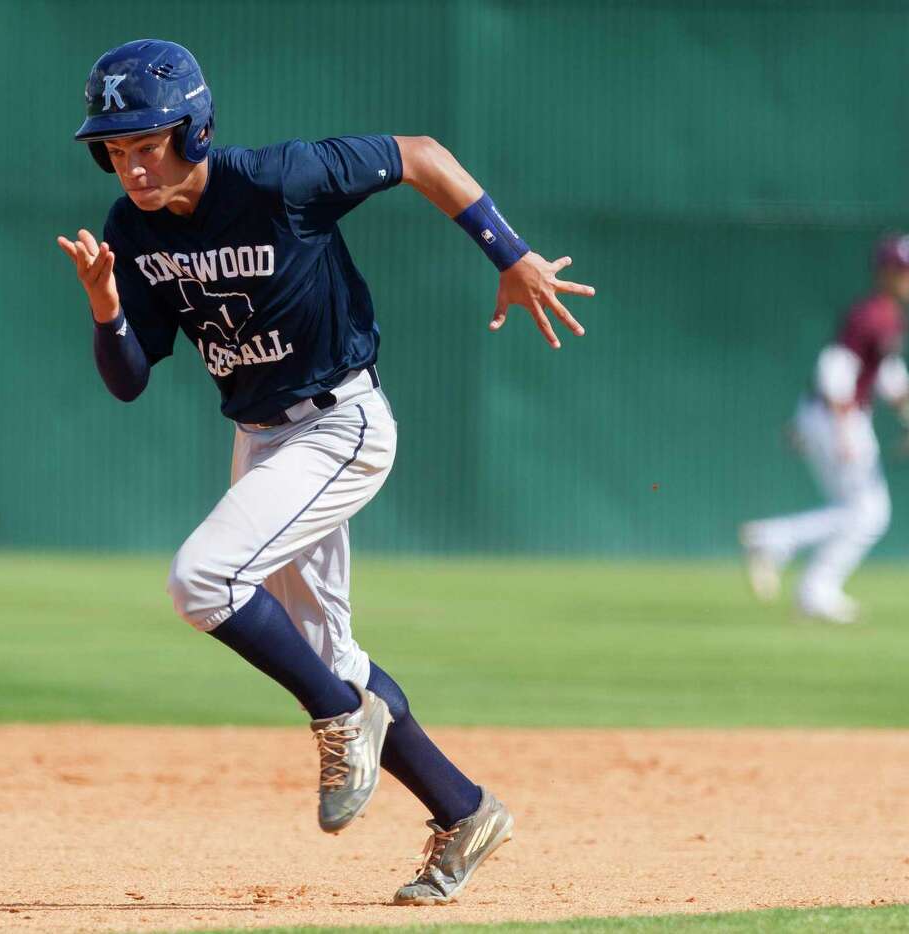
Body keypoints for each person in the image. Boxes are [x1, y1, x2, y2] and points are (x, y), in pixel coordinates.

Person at [56, 39, 594, 905]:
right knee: (326, 650)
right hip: (262, 439)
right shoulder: (130, 231)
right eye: (115, 150)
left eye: (146, 142)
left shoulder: (276, 180)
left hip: (340, 421)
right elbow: (128, 382)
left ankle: (341, 715)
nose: (131, 165)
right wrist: (107, 309)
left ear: (194, 130)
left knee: (202, 581)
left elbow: (421, 156)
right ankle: (466, 811)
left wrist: (511, 253)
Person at [739, 233, 909, 624]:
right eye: (906, 269)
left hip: (833, 415)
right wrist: (844, 429)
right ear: (886, 273)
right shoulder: (873, 314)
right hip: (839, 416)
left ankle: (811, 585)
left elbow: (886, 375)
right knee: (868, 513)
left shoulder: (888, 314)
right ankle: (778, 546)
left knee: (864, 513)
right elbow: (835, 368)